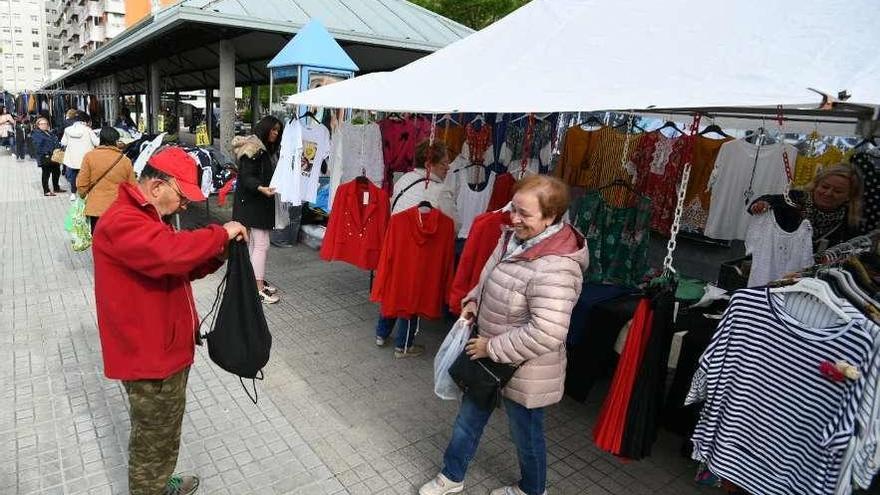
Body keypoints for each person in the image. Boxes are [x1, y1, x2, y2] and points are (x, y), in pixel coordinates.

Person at [92, 146, 248, 495]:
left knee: (163, 432)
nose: (184, 206)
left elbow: (177, 265)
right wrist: (220, 233)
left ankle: (160, 483)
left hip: (163, 349)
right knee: (153, 442)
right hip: (150, 358)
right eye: (182, 197)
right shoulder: (122, 221)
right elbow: (169, 254)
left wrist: (217, 254)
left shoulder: (146, 219)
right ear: (158, 186)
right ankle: (152, 488)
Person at [420, 175, 587, 495]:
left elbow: (547, 332)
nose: (514, 218)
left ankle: (532, 490)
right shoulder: (512, 236)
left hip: (526, 368)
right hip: (487, 355)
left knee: (526, 435)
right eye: (514, 208)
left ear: (551, 217)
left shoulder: (557, 267)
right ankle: (451, 476)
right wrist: (472, 302)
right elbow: (489, 277)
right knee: (468, 421)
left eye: (525, 214)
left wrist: (491, 347)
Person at [374, 140, 460, 358]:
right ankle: (404, 345)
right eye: (443, 164)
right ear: (430, 164)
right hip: (420, 253)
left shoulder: (404, 179)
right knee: (413, 295)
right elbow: (454, 226)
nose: (447, 168)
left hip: (397, 246)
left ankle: (381, 333)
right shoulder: (441, 191)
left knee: (394, 290)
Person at [749, 163, 864, 252]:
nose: (828, 193)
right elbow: (763, 201)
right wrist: (761, 205)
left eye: (838, 191)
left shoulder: (849, 223)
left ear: (850, 196)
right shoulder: (794, 199)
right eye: (825, 186)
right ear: (816, 185)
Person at [231, 115, 283, 304]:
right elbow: (246, 177)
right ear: (266, 128)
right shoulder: (254, 149)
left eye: (278, 130)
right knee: (261, 245)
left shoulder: (264, 149)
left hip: (255, 203)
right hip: (253, 203)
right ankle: (257, 288)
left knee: (255, 244)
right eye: (273, 129)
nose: (276, 133)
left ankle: (254, 281)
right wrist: (261, 188)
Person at [76, 127, 135, 232]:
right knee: (117, 240)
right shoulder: (125, 160)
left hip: (96, 208)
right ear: (116, 141)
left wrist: (82, 195)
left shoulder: (89, 157)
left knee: (99, 240)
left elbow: (82, 184)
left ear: (100, 139)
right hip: (118, 209)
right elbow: (132, 187)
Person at [61, 111, 99, 201]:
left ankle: (73, 193)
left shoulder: (67, 130)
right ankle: (86, 193)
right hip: (86, 158)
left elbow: (63, 142)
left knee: (73, 176)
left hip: (72, 158)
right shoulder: (88, 130)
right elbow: (96, 142)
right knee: (86, 176)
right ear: (84, 120)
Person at [30, 116, 64, 196]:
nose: (44, 125)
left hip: (54, 156)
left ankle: (56, 188)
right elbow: (37, 146)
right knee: (46, 173)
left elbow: (54, 141)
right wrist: (47, 152)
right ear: (38, 125)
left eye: (45, 124)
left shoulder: (48, 132)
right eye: (42, 124)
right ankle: (46, 191)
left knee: (57, 172)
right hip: (45, 156)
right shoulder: (36, 133)